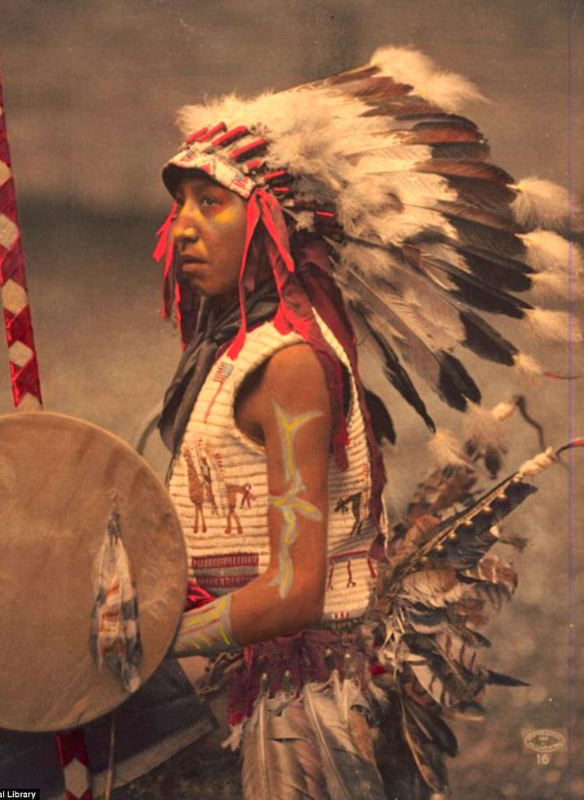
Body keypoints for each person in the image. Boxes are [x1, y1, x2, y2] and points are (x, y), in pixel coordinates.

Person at [152, 47, 581, 800]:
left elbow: (295, 593)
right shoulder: (238, 346)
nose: (182, 227)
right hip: (235, 670)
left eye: (210, 203)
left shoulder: (288, 363)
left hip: (289, 705)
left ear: (273, 226)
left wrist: (155, 645)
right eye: (179, 203)